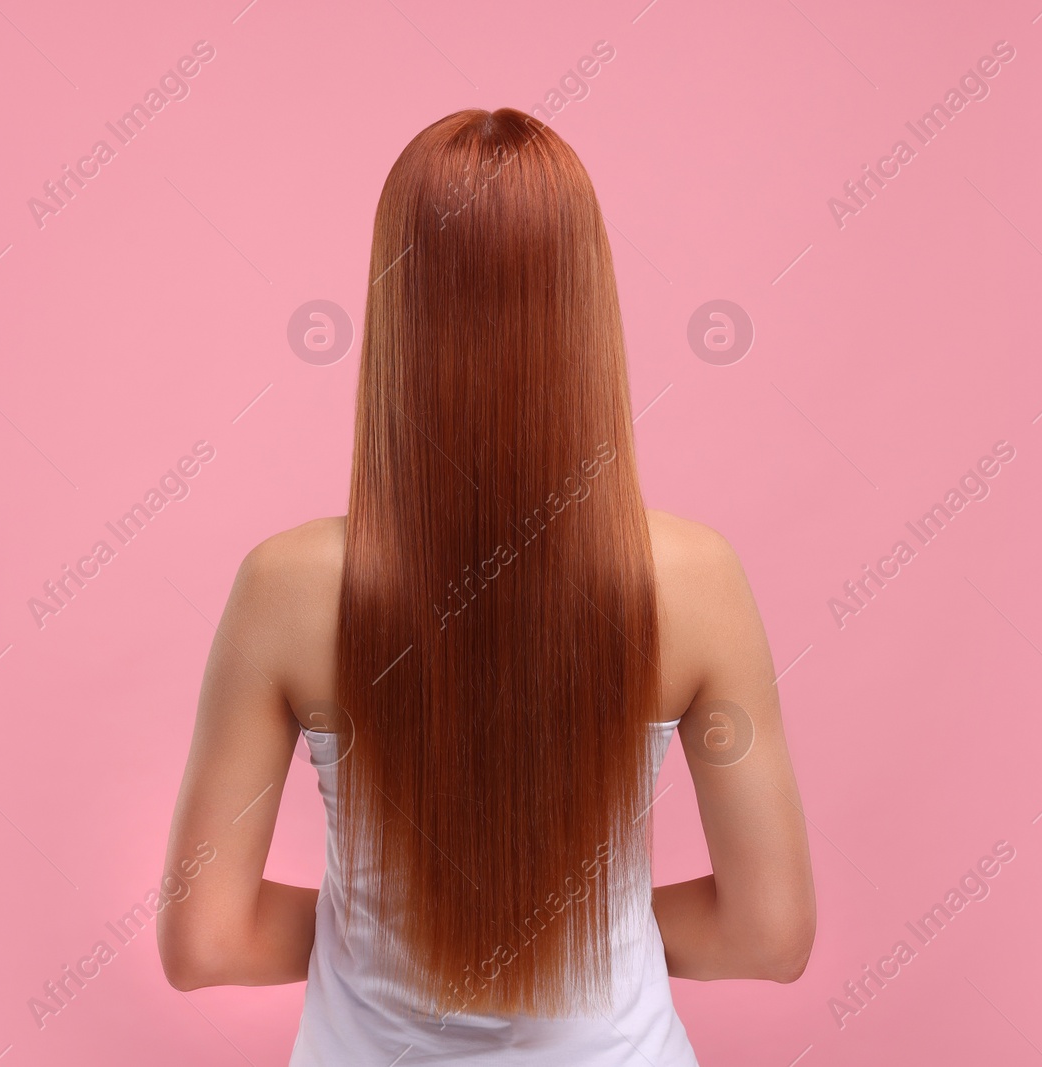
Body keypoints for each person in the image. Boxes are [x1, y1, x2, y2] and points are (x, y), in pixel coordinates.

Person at [157, 107, 815, 1065]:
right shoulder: (694, 580)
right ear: (585, 300)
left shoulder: (287, 587)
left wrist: (392, 941)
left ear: (398, 302)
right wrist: (576, 931)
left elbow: (207, 941)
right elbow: (767, 932)